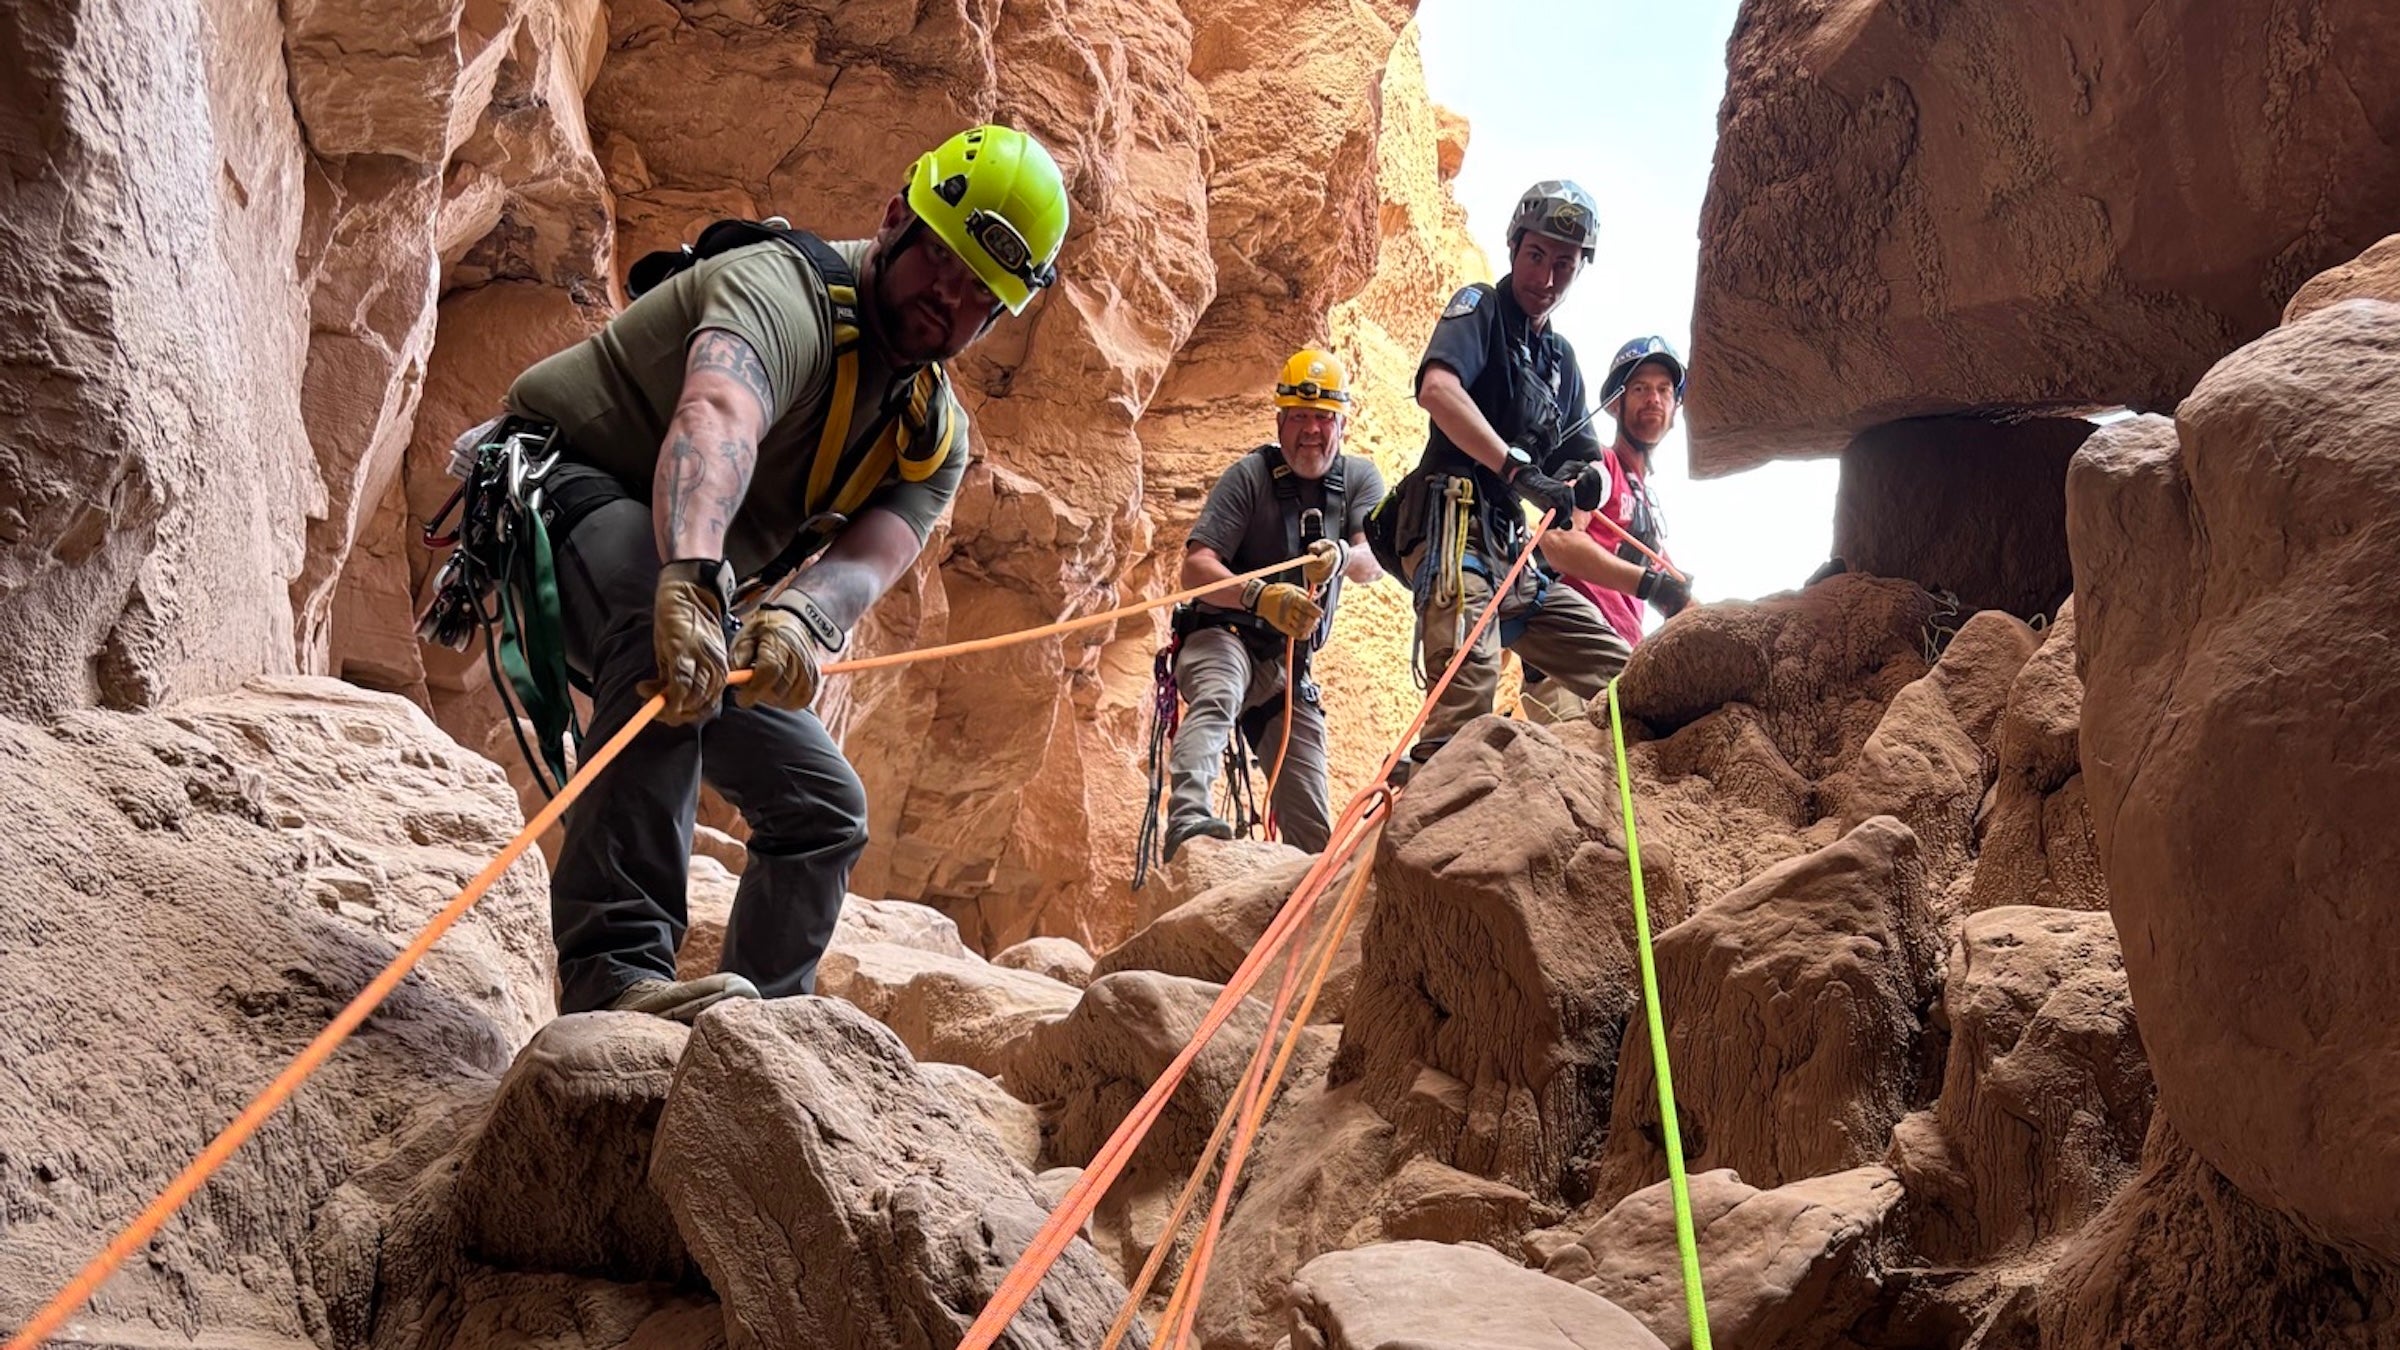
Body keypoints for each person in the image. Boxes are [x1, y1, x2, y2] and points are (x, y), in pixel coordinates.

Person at [498, 124, 1069, 1022]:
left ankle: (757, 1033)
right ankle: (615, 979)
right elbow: (718, 412)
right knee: (659, 645)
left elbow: (872, 555)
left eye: (976, 296)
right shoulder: (786, 290)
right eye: (941, 264)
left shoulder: (931, 434)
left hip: (677, 568)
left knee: (825, 808)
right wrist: (690, 575)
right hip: (564, 487)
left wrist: (801, 618)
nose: (946, 299)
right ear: (895, 220)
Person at [1381, 180, 1639, 775]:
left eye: (1565, 265)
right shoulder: (1482, 309)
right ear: (1514, 247)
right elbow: (1438, 389)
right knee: (1469, 689)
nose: (1546, 277)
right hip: (1453, 526)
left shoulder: (1561, 361)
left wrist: (1585, 482)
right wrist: (1515, 468)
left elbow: (1588, 458)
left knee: (1623, 671)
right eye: (1536, 256)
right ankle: (1422, 806)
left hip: (1511, 553)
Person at [1163, 349, 1386, 859]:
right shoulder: (1250, 477)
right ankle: (1190, 820)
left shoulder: (1357, 481)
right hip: (1225, 637)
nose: (1312, 430)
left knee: (1312, 820)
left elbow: (1376, 561)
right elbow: (1197, 568)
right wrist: (1258, 596)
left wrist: (1342, 555)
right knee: (1218, 693)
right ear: (1280, 421)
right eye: (1301, 417)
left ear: (1341, 424)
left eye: (1323, 417)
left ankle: (1309, 889)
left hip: (1288, 667)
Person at [1559, 336, 1694, 647]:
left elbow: (1679, 597)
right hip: (1574, 641)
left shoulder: (1648, 511)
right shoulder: (1600, 465)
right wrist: (1651, 585)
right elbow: (1561, 539)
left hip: (1621, 655)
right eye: (1640, 388)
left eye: (1664, 390)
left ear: (1675, 410)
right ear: (1615, 404)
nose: (1654, 398)